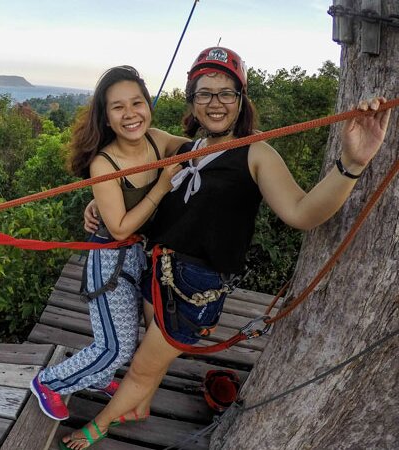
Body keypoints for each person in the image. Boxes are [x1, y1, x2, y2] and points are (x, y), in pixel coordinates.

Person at [61, 46, 392, 449]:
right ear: (192, 100)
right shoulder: (182, 148)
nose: (215, 103)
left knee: (141, 370)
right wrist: (101, 199)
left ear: (241, 100)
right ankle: (141, 406)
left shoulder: (256, 153)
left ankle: (96, 428)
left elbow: (302, 212)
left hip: (195, 287)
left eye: (226, 93)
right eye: (204, 93)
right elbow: (127, 161)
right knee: (152, 351)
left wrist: (351, 164)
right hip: (158, 270)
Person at [30, 65, 184, 421]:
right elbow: (117, 228)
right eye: (118, 107)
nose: (130, 114)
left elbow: (193, 147)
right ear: (107, 117)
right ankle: (50, 382)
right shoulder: (105, 163)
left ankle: (97, 379)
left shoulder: (156, 140)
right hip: (109, 259)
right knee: (114, 347)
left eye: (137, 103)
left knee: (126, 339)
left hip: (137, 256)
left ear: (149, 105)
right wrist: (161, 187)